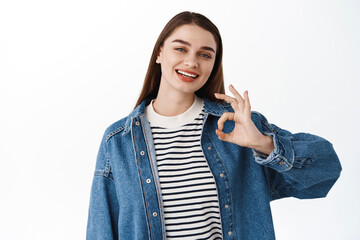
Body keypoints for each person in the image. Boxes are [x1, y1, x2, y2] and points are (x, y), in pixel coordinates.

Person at [86, 11, 342, 240]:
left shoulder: (237, 126)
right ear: (159, 53)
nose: (192, 62)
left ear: (213, 64)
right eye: (181, 49)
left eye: (204, 54)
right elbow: (101, 231)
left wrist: (262, 143)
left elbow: (325, 171)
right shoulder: (119, 140)